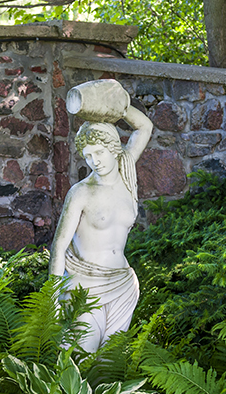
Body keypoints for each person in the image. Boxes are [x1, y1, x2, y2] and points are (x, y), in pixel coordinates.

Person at [49, 101, 153, 352]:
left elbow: (145, 127)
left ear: (114, 148)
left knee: (108, 368)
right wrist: (51, 302)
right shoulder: (81, 193)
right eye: (88, 156)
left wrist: (116, 103)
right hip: (83, 286)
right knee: (83, 361)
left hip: (122, 284)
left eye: (100, 152)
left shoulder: (127, 174)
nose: (95, 161)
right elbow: (58, 248)